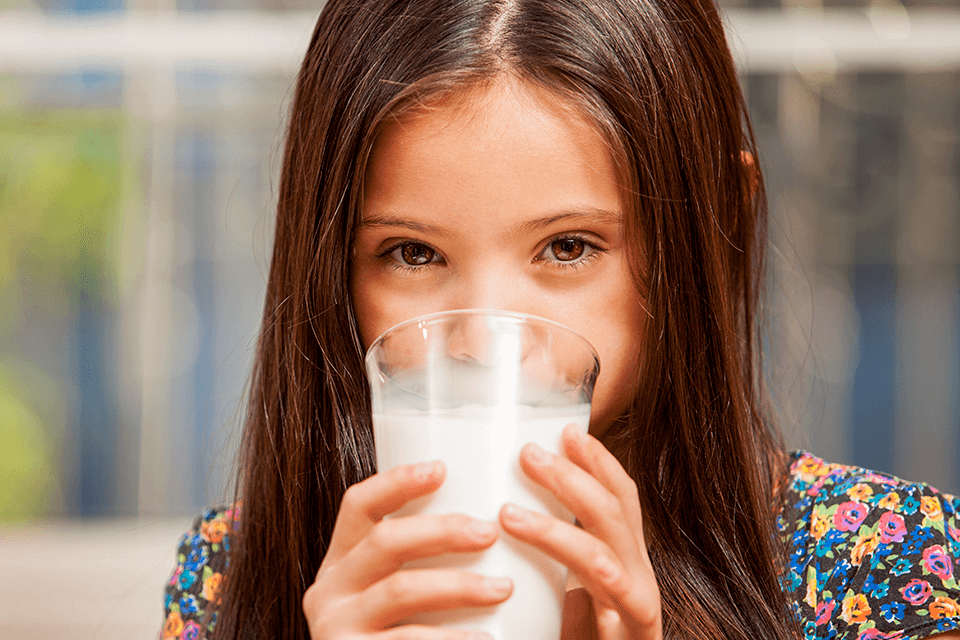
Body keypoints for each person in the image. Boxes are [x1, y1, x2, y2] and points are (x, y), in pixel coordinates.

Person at [160, 0, 960, 639]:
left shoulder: (894, 565)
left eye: (568, 247)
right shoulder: (229, 581)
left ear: (718, 224)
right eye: (411, 253)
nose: (481, 345)